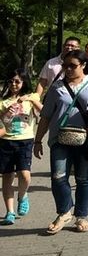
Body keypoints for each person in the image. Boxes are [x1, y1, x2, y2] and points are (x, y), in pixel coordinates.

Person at [33, 49, 88, 234]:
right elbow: (45, 116)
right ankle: (64, 212)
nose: (68, 69)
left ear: (83, 65)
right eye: (65, 65)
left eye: (73, 66)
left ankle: (81, 216)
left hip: (87, 138)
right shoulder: (57, 86)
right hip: (60, 138)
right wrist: (37, 141)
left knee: (84, 178)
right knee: (58, 177)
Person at [1, 69, 42, 225]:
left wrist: (32, 101)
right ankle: (10, 212)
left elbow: (44, 112)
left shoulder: (31, 97)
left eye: (17, 81)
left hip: (25, 141)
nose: (14, 84)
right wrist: (6, 112)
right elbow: (2, 122)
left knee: (24, 175)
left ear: (24, 82)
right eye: (11, 81)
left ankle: (22, 196)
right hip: (6, 142)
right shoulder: (3, 101)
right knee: (7, 177)